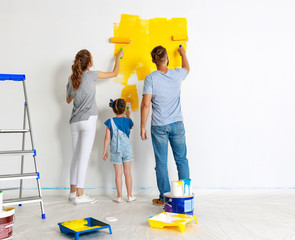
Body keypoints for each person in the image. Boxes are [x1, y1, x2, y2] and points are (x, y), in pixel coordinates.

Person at [66, 49, 124, 205]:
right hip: (89, 120)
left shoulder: (72, 78)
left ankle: (72, 192)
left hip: (75, 122)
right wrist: (118, 58)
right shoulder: (91, 75)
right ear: (89, 63)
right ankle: (80, 195)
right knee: (83, 158)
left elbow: (68, 100)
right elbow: (114, 73)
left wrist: (77, 90)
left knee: (76, 157)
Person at [140, 45, 190, 205]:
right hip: (177, 124)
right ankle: (185, 195)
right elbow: (187, 68)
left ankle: (165, 198)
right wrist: (182, 53)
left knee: (161, 163)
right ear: (167, 59)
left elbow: (145, 105)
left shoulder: (151, 78)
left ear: (153, 61)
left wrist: (142, 126)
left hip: (159, 126)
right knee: (181, 160)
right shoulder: (177, 74)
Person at [103, 98, 136, 203]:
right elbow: (131, 127)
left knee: (118, 174)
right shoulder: (128, 121)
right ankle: (130, 196)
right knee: (128, 173)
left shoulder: (110, 122)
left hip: (115, 150)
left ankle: (119, 197)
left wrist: (105, 150)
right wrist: (128, 115)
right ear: (124, 109)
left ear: (113, 109)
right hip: (127, 150)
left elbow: (107, 137)